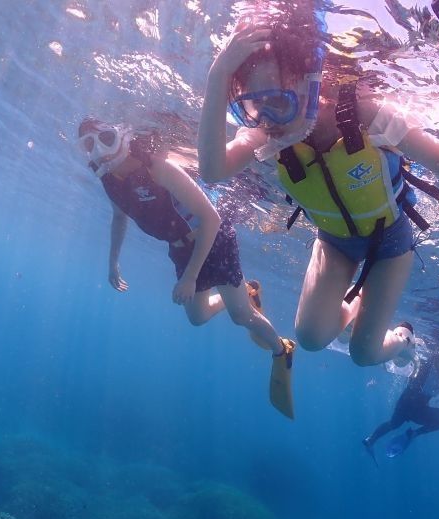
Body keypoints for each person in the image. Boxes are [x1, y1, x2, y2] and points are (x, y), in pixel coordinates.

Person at [197, 2, 439, 368]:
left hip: (390, 241)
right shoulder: (268, 137)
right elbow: (211, 170)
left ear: (310, 81)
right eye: (254, 109)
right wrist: (218, 75)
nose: (269, 121)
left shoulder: (364, 113)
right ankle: (356, 301)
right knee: (310, 337)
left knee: (363, 353)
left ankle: (403, 339)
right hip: (334, 241)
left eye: (278, 101)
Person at [77, 117, 297, 418]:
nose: (100, 149)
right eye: (90, 144)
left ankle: (281, 350)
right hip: (180, 250)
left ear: (122, 136)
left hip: (213, 240)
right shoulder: (109, 182)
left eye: (106, 137)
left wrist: (190, 278)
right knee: (197, 317)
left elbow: (212, 220)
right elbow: (119, 218)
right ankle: (247, 290)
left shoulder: (157, 167)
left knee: (241, 316)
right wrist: (113, 261)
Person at [362, 348, 439, 462]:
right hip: (418, 406)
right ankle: (415, 433)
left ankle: (371, 439)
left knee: (393, 424)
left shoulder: (426, 356)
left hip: (406, 398)